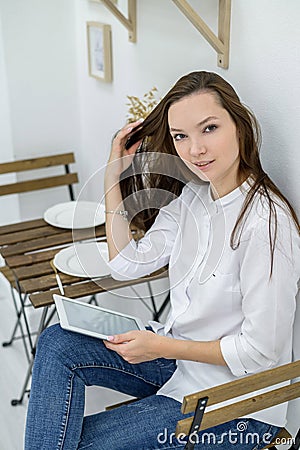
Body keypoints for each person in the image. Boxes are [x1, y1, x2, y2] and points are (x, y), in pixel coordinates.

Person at [25, 71, 300, 450]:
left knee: (74, 443)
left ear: (239, 125)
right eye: (181, 136)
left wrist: (160, 347)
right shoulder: (194, 198)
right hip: (180, 364)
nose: (195, 149)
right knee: (58, 341)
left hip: (236, 403)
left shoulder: (266, 224)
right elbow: (125, 264)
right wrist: (113, 178)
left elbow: (259, 352)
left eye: (209, 128)